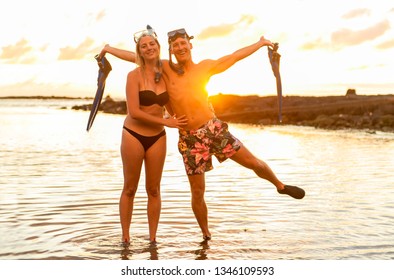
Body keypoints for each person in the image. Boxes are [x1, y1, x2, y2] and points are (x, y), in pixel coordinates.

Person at [100, 27, 305, 241]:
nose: (180, 48)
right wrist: (108, 49)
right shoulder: (166, 68)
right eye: (175, 45)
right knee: (197, 192)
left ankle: (280, 186)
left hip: (213, 129)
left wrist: (260, 43)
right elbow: (136, 56)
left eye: (183, 43)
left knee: (253, 162)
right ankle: (206, 235)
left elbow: (234, 57)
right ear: (170, 49)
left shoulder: (205, 67)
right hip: (190, 139)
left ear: (190, 45)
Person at [118, 27, 187, 244]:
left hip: (158, 137)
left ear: (158, 47)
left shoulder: (165, 74)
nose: (149, 48)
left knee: (154, 190)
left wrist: (183, 120)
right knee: (130, 188)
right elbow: (134, 112)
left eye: (152, 44)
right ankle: (126, 238)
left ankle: (153, 240)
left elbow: (170, 103)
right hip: (133, 135)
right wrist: (167, 121)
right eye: (144, 46)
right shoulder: (133, 75)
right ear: (140, 51)